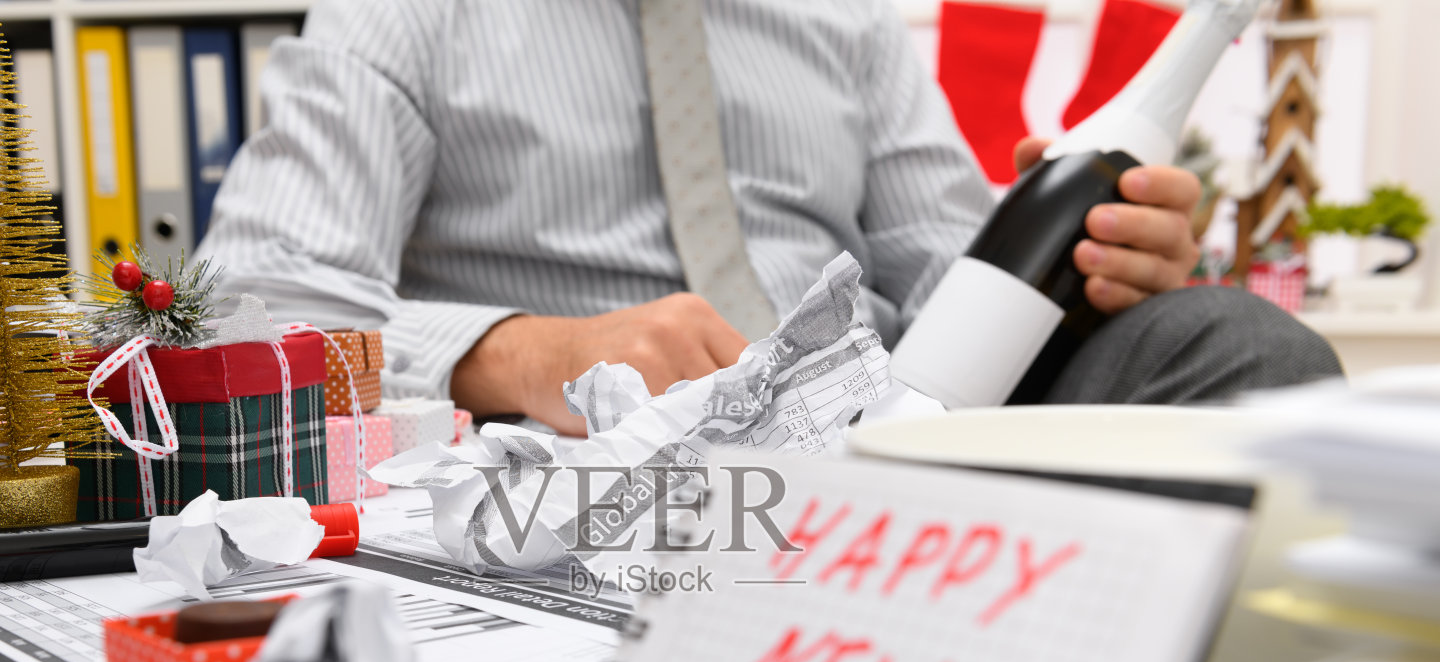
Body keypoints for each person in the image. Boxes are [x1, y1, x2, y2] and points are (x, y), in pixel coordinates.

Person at [196, 0, 1340, 434]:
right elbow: (246, 307)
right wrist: (523, 354)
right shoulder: (398, 13)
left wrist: (1085, 272)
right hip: (585, 464)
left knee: (1236, 347)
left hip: (887, 436)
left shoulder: (847, 22)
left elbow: (951, 275)